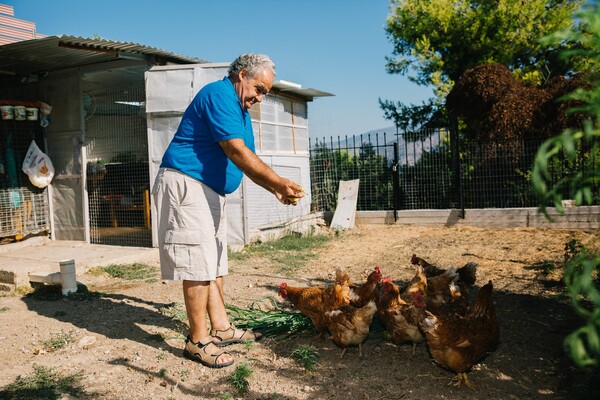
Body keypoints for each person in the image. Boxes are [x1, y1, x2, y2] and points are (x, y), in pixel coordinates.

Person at [152, 53, 304, 368]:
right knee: (198, 264)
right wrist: (277, 183)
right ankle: (197, 341)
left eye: (265, 93)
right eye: (259, 89)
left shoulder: (238, 107)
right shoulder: (219, 95)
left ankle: (220, 328)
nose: (260, 98)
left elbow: (243, 154)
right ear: (242, 74)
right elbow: (236, 150)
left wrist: (273, 187)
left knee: (214, 261)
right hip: (186, 183)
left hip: (207, 189)